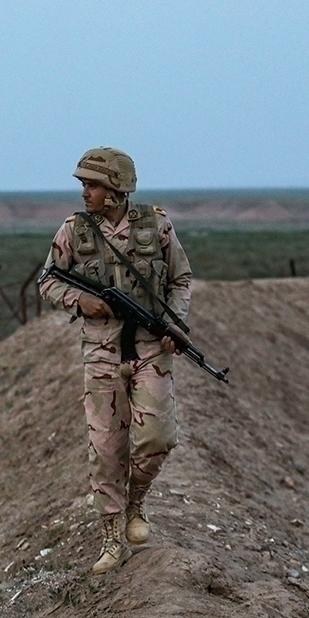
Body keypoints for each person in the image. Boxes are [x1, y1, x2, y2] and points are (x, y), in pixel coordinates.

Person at [38, 147, 193, 575]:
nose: (85, 192)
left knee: (157, 436)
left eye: (92, 184)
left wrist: (175, 323)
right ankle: (112, 536)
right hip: (102, 352)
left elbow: (181, 277)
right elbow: (47, 280)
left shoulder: (156, 226)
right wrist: (81, 299)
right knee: (106, 447)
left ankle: (136, 499)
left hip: (150, 347)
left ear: (116, 189)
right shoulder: (74, 230)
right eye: (84, 184)